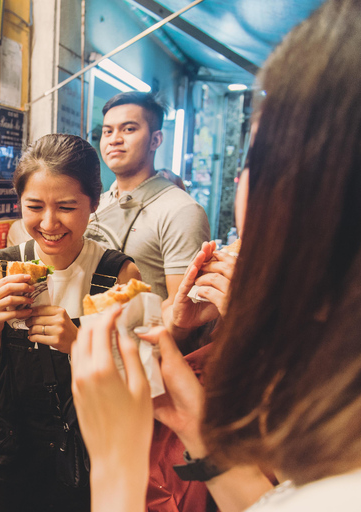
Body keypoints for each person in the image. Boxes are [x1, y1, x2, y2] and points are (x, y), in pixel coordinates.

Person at [71, 0, 361, 509]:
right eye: (107, 129)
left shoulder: (181, 211)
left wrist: (117, 465)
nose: (240, 188)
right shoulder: (331, 450)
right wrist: (197, 429)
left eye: (256, 159)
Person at [0, 134, 141, 512]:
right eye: (34, 206)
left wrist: (78, 344)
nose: (48, 222)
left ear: (93, 204)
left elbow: (134, 394)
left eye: (66, 206)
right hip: (10, 451)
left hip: (88, 451)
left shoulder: (118, 276)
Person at [85, 92, 209, 304]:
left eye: (129, 129)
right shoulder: (99, 204)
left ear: (155, 140)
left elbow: (183, 309)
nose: (114, 139)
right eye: (108, 131)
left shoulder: (181, 210)